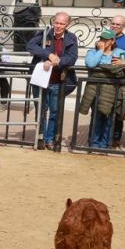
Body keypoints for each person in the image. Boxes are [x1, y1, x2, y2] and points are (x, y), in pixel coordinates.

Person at [26, 12, 78, 150]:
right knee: (41, 110)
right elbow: (30, 46)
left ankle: (50, 139)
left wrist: (57, 62)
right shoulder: (44, 34)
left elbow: (72, 57)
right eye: (56, 22)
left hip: (58, 80)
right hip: (40, 80)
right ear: (53, 22)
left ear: (67, 24)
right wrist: (48, 55)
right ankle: (40, 137)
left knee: (55, 112)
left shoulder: (71, 38)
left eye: (62, 24)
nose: (58, 26)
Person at [79, 28, 125, 148]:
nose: (103, 41)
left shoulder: (120, 52)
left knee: (110, 119)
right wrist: (100, 50)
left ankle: (105, 144)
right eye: (101, 38)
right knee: (97, 117)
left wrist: (124, 63)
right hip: (96, 92)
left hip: (115, 92)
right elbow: (90, 64)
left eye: (106, 39)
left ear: (112, 41)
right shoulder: (93, 52)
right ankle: (93, 143)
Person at [110, 15, 125, 148]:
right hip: (106, 81)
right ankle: (102, 136)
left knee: (119, 111)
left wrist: (124, 63)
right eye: (113, 23)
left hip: (123, 81)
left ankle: (116, 138)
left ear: (123, 26)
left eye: (118, 24)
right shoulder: (103, 38)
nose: (114, 26)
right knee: (105, 109)